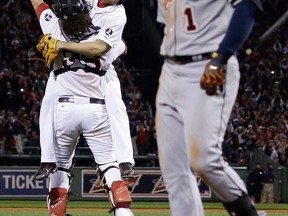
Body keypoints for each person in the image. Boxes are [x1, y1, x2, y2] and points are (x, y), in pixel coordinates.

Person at [156, 0, 265, 215]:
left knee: (205, 160)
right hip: (169, 70)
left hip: (208, 67)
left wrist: (222, 56)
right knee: (174, 170)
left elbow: (249, 5)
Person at [30, 0, 134, 215]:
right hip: (96, 110)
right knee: (109, 165)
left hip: (64, 111)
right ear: (87, 15)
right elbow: (119, 47)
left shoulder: (53, 30)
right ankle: (123, 210)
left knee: (60, 167)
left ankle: (55, 202)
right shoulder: (103, 43)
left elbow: (39, 5)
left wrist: (58, 44)